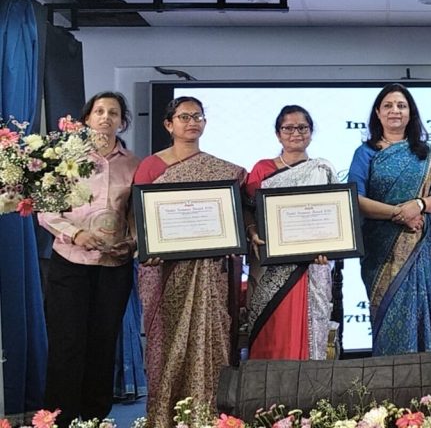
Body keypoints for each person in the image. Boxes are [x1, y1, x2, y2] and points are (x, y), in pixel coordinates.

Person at [134, 97, 245, 428]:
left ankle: (210, 414)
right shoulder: (151, 166)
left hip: (210, 270)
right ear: (169, 124)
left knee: (211, 337)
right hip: (165, 270)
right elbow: (140, 216)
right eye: (184, 117)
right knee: (166, 342)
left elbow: (235, 214)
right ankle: (164, 416)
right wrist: (147, 246)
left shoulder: (223, 170)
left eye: (198, 116)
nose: (192, 122)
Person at [38, 92, 140, 421]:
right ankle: (59, 419)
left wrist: (133, 242)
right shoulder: (65, 158)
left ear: (122, 122)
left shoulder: (134, 165)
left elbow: (137, 215)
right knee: (66, 344)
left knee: (103, 344)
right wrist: (77, 234)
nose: (106, 117)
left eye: (113, 112)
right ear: (87, 119)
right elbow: (46, 210)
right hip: (70, 263)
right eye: (99, 111)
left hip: (114, 267)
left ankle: (95, 418)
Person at [348, 84, 431, 356]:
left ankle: (428, 381)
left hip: (420, 248)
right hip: (380, 251)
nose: (395, 110)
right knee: (387, 315)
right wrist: (399, 214)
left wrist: (419, 205)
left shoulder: (430, 154)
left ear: (410, 113)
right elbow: (356, 199)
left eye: (401, 106)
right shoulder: (365, 153)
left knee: (422, 313)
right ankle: (389, 379)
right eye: (388, 106)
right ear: (378, 113)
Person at [244, 105, 338, 359]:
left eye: (302, 128)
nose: (296, 133)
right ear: (278, 134)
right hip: (270, 265)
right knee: (270, 329)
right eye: (288, 128)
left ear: (311, 132)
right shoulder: (262, 169)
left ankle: (308, 383)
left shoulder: (322, 170)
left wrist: (330, 249)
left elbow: (335, 216)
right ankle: (267, 384)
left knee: (309, 332)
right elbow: (247, 208)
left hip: (312, 265)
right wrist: (252, 231)